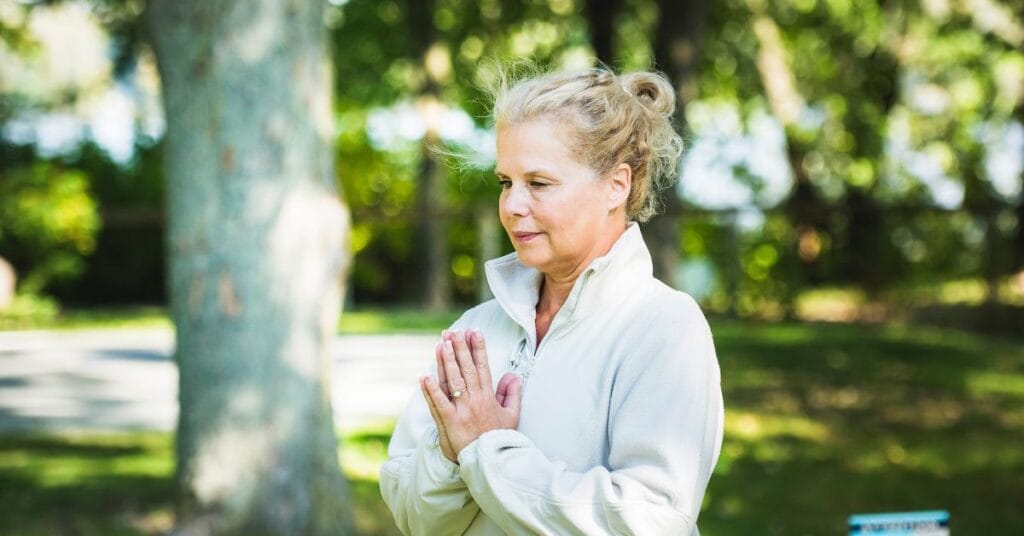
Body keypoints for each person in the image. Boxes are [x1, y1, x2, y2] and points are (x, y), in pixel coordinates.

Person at [379, 67, 724, 535]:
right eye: (506, 182)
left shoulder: (663, 327)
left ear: (616, 185)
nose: (512, 205)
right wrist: (448, 453)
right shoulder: (477, 329)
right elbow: (415, 518)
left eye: (539, 183)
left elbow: (649, 521)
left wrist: (486, 450)